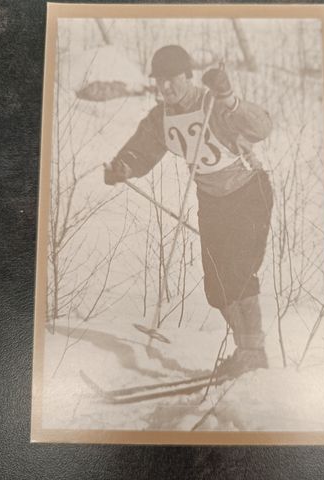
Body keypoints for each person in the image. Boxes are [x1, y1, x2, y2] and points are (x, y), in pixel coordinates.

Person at [105, 45, 273, 376]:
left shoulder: (212, 103)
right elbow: (142, 150)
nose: (165, 87)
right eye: (160, 80)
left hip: (248, 193)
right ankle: (247, 351)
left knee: (239, 273)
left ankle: (252, 353)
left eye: (172, 79)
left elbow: (262, 128)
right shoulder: (161, 117)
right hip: (211, 201)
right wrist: (122, 167)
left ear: (188, 75)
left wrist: (228, 97)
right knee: (217, 288)